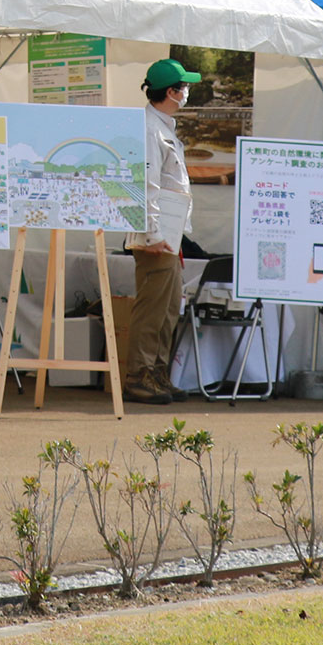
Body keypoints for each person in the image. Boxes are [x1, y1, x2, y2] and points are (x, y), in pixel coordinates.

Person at [124, 59, 200, 404]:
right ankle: (139, 375)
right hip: (157, 235)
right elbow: (147, 185)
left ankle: (156, 373)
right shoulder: (149, 128)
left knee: (168, 308)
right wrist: (152, 234)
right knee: (152, 308)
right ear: (171, 91)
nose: (187, 92)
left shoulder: (161, 126)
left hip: (170, 233)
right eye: (184, 87)